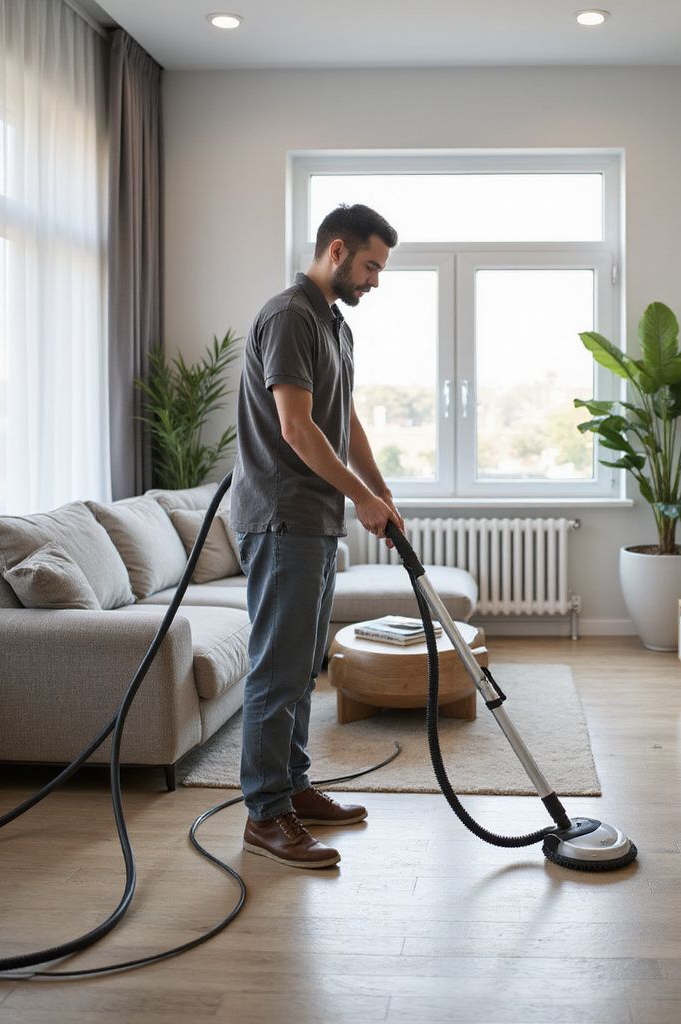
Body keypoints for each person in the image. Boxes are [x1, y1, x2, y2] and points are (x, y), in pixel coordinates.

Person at [229, 204, 404, 869]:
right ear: (337, 250)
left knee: (303, 664)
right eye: (370, 266)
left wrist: (378, 491)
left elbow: (344, 421)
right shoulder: (289, 316)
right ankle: (264, 815)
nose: (375, 281)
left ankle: (293, 787)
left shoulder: (334, 327)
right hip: (282, 518)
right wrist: (359, 498)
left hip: (316, 520)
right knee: (277, 670)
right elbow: (299, 429)